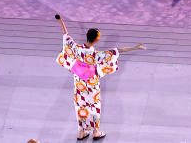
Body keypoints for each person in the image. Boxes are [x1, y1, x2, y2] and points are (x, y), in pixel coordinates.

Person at [55, 13, 145, 141]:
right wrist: (136, 47)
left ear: (87, 37)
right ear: (96, 40)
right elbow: (117, 51)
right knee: (94, 105)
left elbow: (66, 35)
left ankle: (81, 132)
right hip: (92, 84)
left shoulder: (76, 49)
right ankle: (95, 132)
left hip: (79, 82)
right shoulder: (97, 55)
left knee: (80, 105)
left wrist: (61, 21)